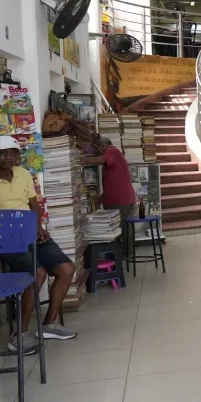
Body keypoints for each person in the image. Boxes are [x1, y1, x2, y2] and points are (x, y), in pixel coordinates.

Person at [0, 136, 77, 353]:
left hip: (30, 231)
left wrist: (38, 226)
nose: (8, 157)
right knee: (38, 273)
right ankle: (20, 334)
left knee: (66, 269)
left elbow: (33, 205)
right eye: (3, 152)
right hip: (6, 239)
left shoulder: (24, 174)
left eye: (12, 153)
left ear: (18, 156)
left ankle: (50, 324)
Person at [81, 137, 137, 246]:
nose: (97, 151)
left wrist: (81, 159)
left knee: (120, 230)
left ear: (103, 145)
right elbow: (113, 182)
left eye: (98, 148)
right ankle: (121, 255)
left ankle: (124, 256)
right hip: (119, 198)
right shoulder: (113, 154)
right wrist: (102, 198)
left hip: (121, 200)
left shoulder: (112, 151)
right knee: (119, 229)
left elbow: (102, 160)